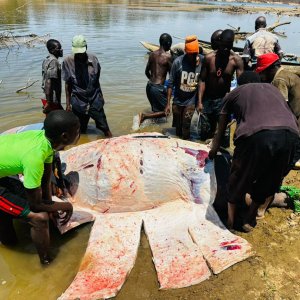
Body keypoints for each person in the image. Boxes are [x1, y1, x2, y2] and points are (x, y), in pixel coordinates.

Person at [208, 71, 298, 232]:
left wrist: (213, 152)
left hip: (257, 136)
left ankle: (230, 221)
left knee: (239, 177)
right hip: (291, 135)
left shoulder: (234, 93)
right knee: (270, 177)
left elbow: (220, 130)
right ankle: (250, 218)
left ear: (241, 84)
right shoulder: (273, 90)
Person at [0, 110, 80, 264]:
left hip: (3, 174)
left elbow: (45, 182)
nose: (79, 133)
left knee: (41, 211)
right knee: (39, 218)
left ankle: (7, 240)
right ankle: (46, 263)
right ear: (64, 136)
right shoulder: (35, 156)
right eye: (77, 130)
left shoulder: (47, 143)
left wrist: (51, 206)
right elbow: (35, 205)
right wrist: (66, 205)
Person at [198, 29, 244, 146]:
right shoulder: (209, 58)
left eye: (228, 46)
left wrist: (238, 106)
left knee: (223, 136)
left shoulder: (236, 60)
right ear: (219, 42)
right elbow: (202, 80)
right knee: (205, 134)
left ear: (232, 44)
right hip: (208, 99)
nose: (225, 49)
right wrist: (199, 101)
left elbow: (242, 85)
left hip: (224, 100)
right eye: (223, 45)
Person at [62, 35, 112, 137]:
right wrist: (68, 104)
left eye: (81, 52)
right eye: (77, 52)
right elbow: (68, 84)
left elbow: (96, 80)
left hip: (94, 99)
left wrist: (101, 96)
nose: (79, 55)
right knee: (80, 130)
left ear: (86, 48)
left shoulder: (93, 59)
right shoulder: (67, 61)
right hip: (78, 101)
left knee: (105, 128)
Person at [165, 35, 203, 140]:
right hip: (177, 100)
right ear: (186, 51)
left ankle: (186, 143)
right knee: (178, 128)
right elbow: (170, 83)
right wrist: (168, 104)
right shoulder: (178, 62)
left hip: (191, 101)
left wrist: (199, 102)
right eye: (190, 54)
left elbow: (202, 82)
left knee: (186, 126)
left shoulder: (202, 62)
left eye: (195, 54)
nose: (193, 56)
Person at [139, 33, 173, 125]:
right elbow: (171, 80)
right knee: (167, 112)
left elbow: (146, 72)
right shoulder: (168, 57)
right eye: (170, 44)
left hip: (149, 86)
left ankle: (151, 126)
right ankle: (144, 116)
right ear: (168, 43)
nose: (170, 46)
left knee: (156, 112)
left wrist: (153, 84)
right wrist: (168, 103)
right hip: (157, 88)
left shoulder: (152, 55)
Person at [42, 39, 64, 114]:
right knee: (60, 119)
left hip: (46, 96)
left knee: (51, 119)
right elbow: (48, 82)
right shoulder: (54, 61)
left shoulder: (47, 59)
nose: (61, 50)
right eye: (59, 48)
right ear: (52, 50)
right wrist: (49, 103)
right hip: (52, 99)